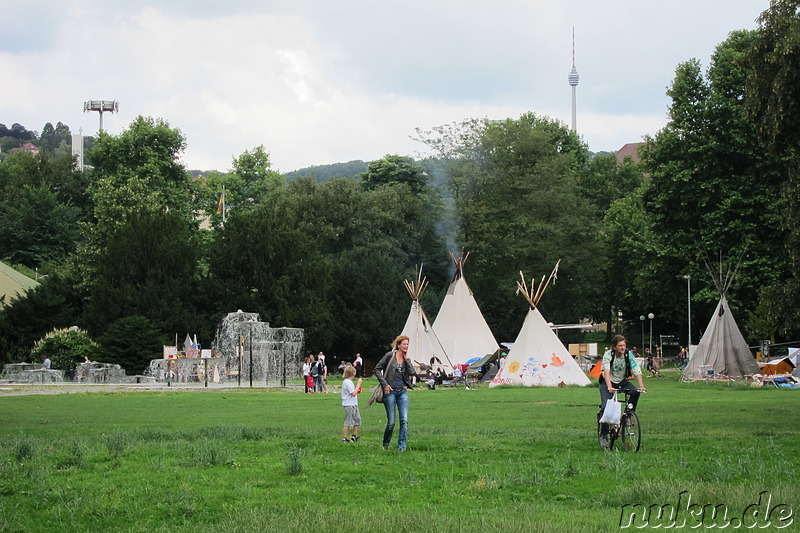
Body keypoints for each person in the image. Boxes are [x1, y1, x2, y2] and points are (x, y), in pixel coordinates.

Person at [599, 334, 646, 449]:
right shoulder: (608, 355)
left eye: (624, 345)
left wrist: (641, 385)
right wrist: (610, 387)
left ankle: (628, 415)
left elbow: (636, 369)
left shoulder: (628, 354)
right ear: (614, 347)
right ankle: (604, 435)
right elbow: (606, 372)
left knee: (635, 391)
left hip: (621, 380)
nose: (622, 347)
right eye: (620, 345)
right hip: (607, 382)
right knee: (606, 407)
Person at [374, 335, 416, 451]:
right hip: (390, 392)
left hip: (402, 391)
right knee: (391, 422)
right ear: (398, 345)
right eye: (404, 344)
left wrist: (407, 360)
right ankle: (386, 444)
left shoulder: (407, 359)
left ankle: (401, 447)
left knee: (404, 421)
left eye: (407, 344)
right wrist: (385, 385)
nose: (406, 346)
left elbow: (412, 372)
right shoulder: (389, 356)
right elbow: (377, 369)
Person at [341, 365, 363, 443]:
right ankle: (344, 438)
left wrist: (358, 390)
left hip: (354, 404)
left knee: (357, 420)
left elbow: (354, 392)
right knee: (348, 422)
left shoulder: (349, 382)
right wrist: (359, 384)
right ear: (353, 373)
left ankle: (354, 436)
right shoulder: (347, 382)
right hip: (349, 405)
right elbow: (353, 393)